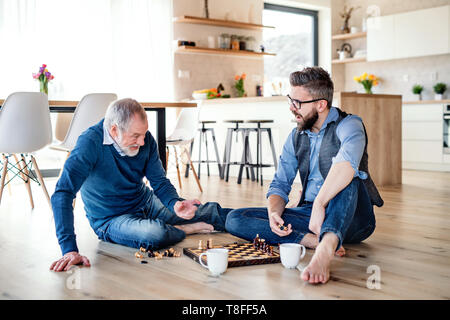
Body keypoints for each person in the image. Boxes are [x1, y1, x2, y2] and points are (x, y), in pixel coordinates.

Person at [225, 67, 383, 284]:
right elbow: (280, 184)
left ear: (321, 104)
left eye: (298, 102)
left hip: (354, 217)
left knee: (348, 176)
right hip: (310, 218)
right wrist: (274, 214)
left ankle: (325, 250)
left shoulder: (350, 125)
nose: (292, 107)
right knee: (235, 219)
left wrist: (319, 203)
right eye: (291, 100)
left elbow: (346, 165)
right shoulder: (296, 136)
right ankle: (312, 240)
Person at [50, 98, 231, 272]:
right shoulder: (89, 143)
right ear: (114, 130)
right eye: (135, 136)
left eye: (144, 134)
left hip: (145, 202)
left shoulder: (145, 140)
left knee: (203, 212)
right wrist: (69, 250)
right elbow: (63, 194)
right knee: (153, 234)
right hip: (110, 219)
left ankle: (249, 218)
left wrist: (175, 203)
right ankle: (182, 230)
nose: (142, 142)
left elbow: (159, 181)